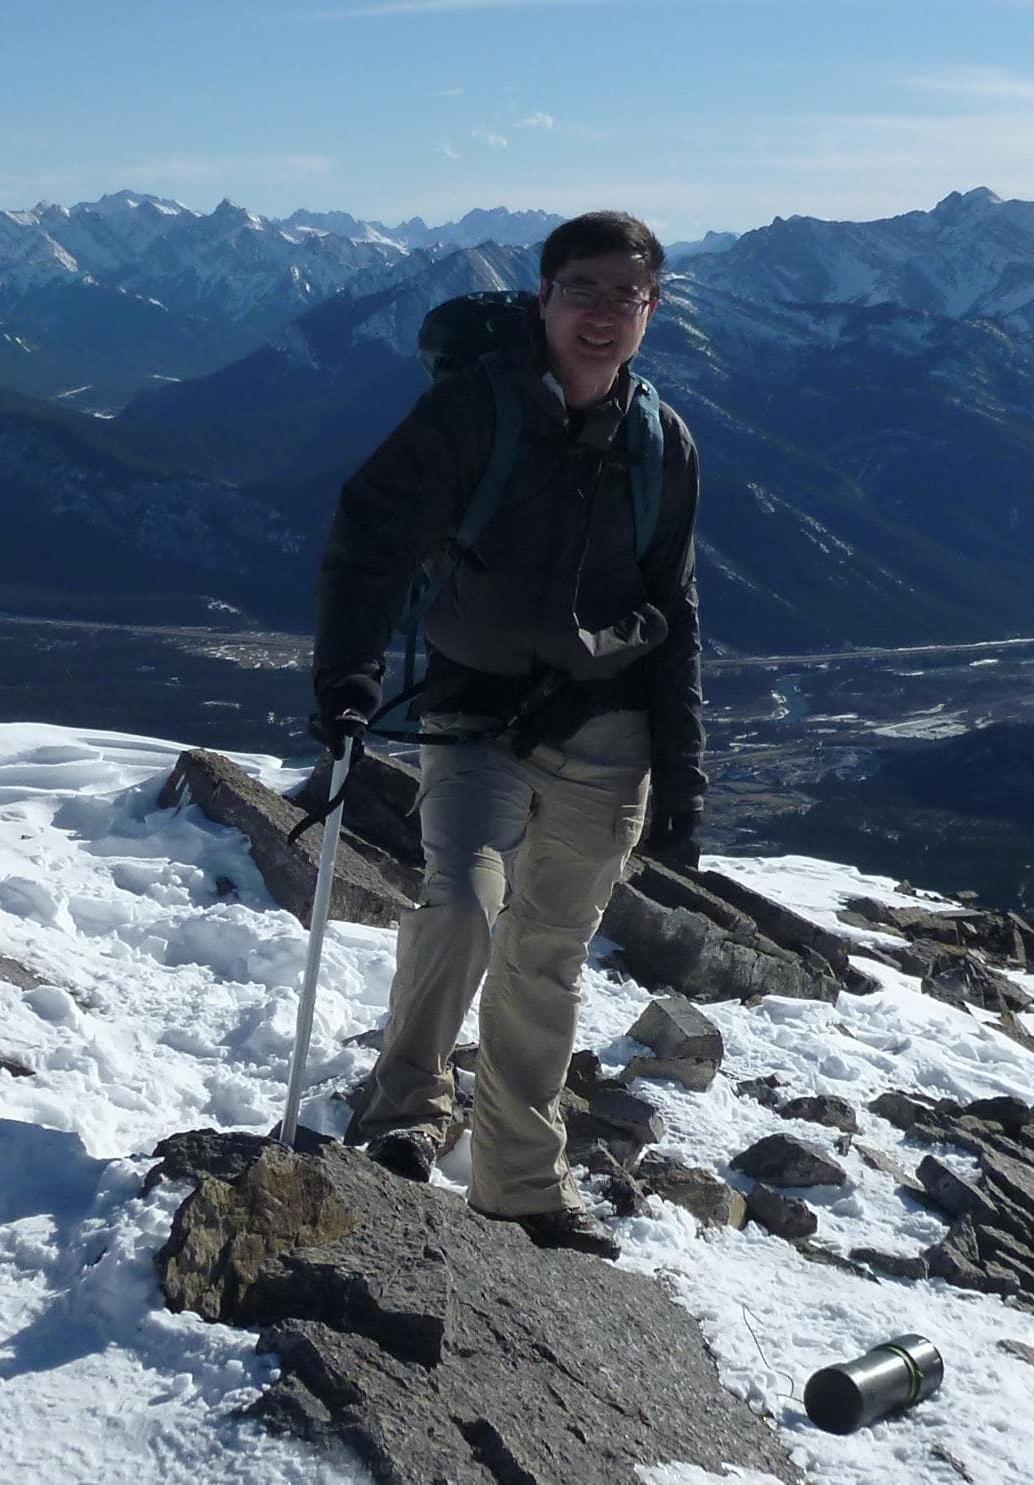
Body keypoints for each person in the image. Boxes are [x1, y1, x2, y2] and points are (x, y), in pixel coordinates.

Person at [310, 210, 705, 1258]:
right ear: (542, 299)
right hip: (475, 710)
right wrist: (345, 677)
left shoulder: (659, 443)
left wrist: (684, 777)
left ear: (652, 310)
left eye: (627, 295)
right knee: (463, 905)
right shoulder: (471, 415)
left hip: (606, 726)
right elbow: (370, 536)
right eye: (582, 289)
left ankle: (521, 1185)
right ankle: (402, 1118)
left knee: (550, 954)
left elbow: (677, 612)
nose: (603, 313)